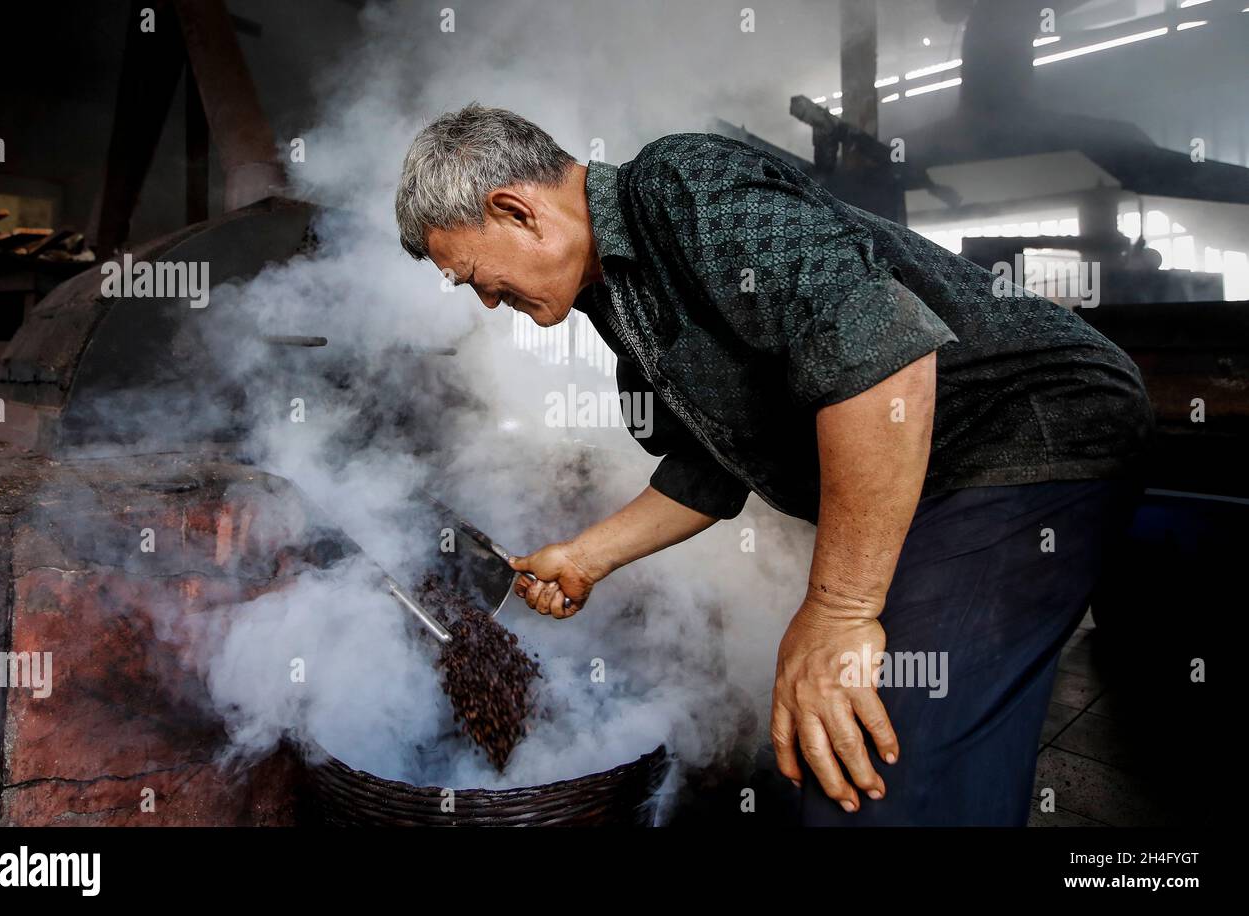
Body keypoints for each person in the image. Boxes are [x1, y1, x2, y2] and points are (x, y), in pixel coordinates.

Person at [394, 104, 1153, 825]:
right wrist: (588, 557)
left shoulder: (680, 184)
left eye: (467, 275)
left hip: (1029, 427)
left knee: (865, 764)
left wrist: (839, 612)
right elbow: (712, 464)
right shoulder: (616, 299)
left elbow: (877, 352)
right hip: (932, 469)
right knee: (831, 757)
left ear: (516, 210)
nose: (484, 302)